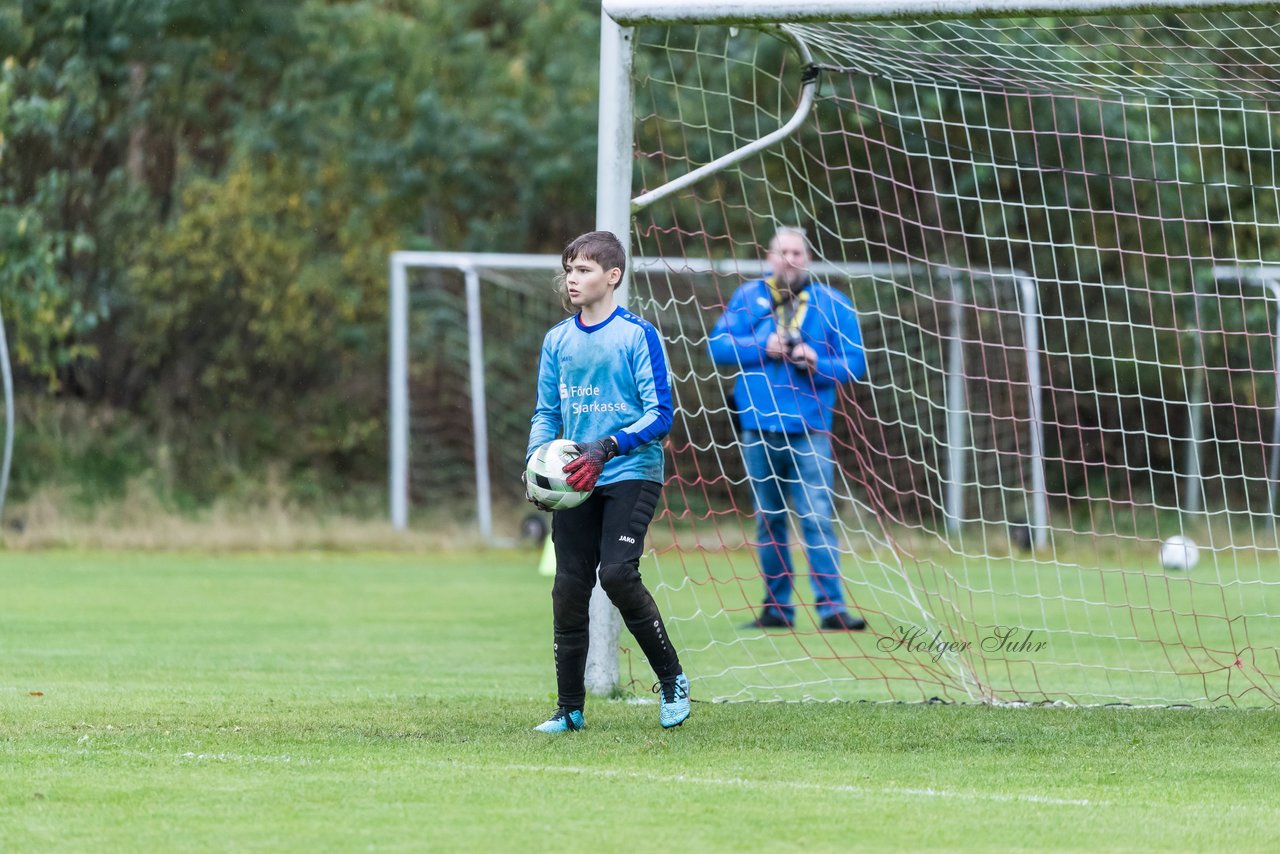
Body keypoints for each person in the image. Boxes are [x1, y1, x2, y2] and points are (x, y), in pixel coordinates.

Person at [523, 230, 690, 732]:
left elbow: (662, 413)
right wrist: (536, 461)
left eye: (583, 270)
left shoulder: (637, 335)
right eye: (569, 270)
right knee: (569, 586)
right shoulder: (557, 340)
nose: (572, 279)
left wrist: (608, 446)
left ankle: (673, 680)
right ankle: (570, 708)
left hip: (629, 470)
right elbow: (547, 411)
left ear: (612, 276)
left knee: (617, 574)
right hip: (576, 478)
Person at [708, 226, 869, 632]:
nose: (790, 259)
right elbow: (717, 346)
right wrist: (762, 346)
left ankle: (832, 609)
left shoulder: (833, 304)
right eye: (783, 251)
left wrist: (817, 362)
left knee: (816, 518)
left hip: (810, 429)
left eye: (797, 252)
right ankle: (777, 609)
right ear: (769, 256)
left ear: (808, 258)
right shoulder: (749, 298)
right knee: (769, 520)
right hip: (758, 427)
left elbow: (856, 364)